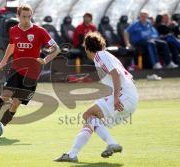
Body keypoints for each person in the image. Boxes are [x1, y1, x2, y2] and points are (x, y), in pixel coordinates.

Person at [55, 31, 138, 162]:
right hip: (131, 98)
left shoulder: (100, 56)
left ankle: (111, 143)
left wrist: (116, 97)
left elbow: (115, 75)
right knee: (91, 118)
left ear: (87, 48)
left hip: (124, 96)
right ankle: (72, 154)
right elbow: (118, 76)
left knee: (87, 115)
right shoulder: (106, 56)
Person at [0, 4, 60, 131]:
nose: (26, 19)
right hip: (16, 69)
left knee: (16, 103)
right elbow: (11, 45)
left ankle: (1, 126)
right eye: (23, 17)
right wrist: (4, 61)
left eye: (29, 17)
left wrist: (45, 59)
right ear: (18, 16)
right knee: (5, 95)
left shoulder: (40, 31)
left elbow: (56, 49)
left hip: (32, 74)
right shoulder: (13, 30)